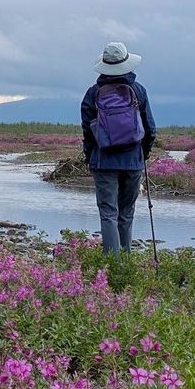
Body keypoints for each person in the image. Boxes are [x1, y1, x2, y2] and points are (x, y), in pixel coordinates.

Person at [80, 41, 156, 254]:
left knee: (108, 213)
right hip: (133, 161)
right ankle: (126, 259)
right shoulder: (138, 91)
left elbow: (88, 133)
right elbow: (150, 129)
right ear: (127, 64)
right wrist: (143, 154)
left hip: (103, 161)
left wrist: (90, 158)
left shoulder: (92, 93)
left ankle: (113, 263)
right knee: (127, 212)